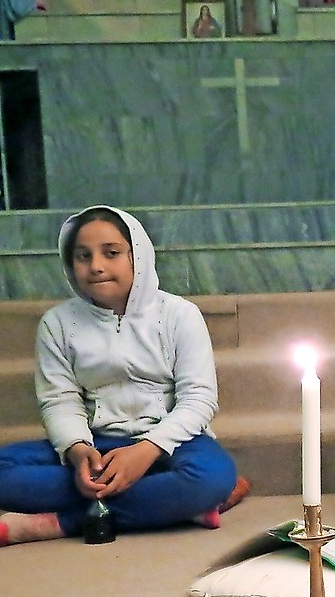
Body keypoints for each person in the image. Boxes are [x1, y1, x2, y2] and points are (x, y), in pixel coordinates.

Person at [0, 205, 240, 546]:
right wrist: (79, 452)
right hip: (98, 447)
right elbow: (60, 400)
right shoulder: (57, 323)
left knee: (211, 477)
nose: (96, 266)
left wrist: (145, 450)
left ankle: (64, 521)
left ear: (136, 255)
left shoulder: (179, 315)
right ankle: (168, 505)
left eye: (111, 253)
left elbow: (199, 399)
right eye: (83, 256)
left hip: (170, 446)